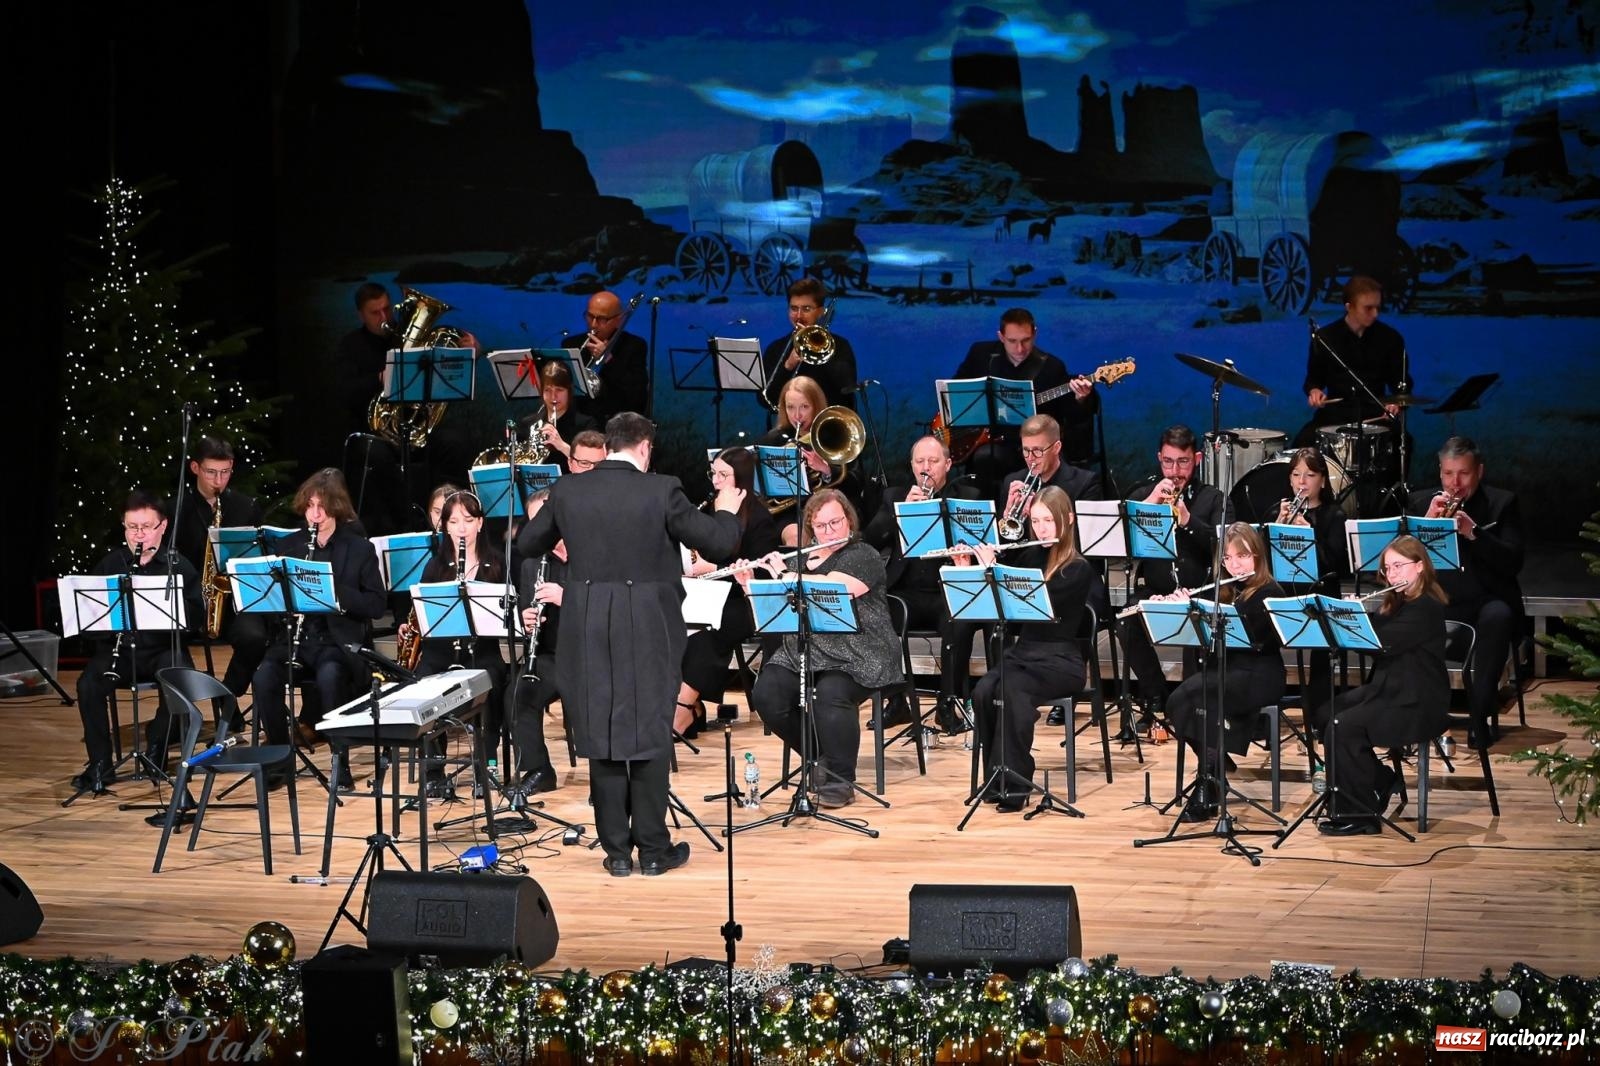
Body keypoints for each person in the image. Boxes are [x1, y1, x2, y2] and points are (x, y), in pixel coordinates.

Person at [515, 412, 744, 878]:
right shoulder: (661, 489)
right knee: (650, 727)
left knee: (599, 729)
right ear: (644, 448)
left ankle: (617, 852)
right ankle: (654, 850)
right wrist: (726, 506)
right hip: (648, 622)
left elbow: (527, 544)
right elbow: (720, 543)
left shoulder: (568, 489)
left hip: (586, 621)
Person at [740, 489, 903, 809]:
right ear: (810, 528)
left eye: (836, 522)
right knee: (767, 695)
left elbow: (835, 588)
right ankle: (819, 755)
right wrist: (751, 587)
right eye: (821, 526)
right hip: (805, 651)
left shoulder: (863, 554)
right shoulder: (799, 559)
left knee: (828, 694)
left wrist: (785, 576)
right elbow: (775, 617)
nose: (830, 531)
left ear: (849, 520)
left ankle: (842, 779)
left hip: (859, 651)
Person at [251, 469, 387, 787]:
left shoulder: (358, 549)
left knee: (330, 677)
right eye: (310, 505)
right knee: (263, 677)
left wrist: (335, 592)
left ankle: (341, 762)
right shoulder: (289, 546)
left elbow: (376, 605)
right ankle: (279, 757)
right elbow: (271, 602)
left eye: (322, 506)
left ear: (336, 507)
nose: (315, 513)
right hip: (295, 639)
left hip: (336, 642)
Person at [1311, 535, 1448, 835]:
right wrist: (1349, 615)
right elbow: (1378, 626)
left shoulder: (1426, 607)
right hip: (1390, 690)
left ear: (1421, 566)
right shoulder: (1398, 603)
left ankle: (1362, 816)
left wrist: (1351, 621)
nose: (1393, 574)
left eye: (1399, 566)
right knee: (1325, 713)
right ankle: (1380, 780)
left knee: (1342, 726)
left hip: (1416, 701)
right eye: (1388, 569)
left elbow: (1381, 642)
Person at [968, 487, 1094, 812]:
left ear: (1067, 520)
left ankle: (1016, 782)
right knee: (983, 690)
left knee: (1012, 690)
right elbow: (1003, 614)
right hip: (1024, 655)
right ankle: (996, 775)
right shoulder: (1031, 556)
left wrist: (994, 569)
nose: (1041, 529)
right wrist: (977, 570)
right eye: (1036, 521)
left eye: (1049, 520)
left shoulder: (1077, 568)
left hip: (1059, 660)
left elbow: (1041, 602)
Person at [70, 490, 203, 796]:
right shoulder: (111, 563)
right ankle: (99, 764)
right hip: (119, 648)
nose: (139, 535)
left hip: (162, 648)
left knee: (180, 677)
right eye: (132, 527)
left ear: (163, 526)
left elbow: (195, 620)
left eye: (146, 527)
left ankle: (157, 744)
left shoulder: (178, 565)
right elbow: (90, 619)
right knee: (88, 685)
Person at [1158, 523, 1287, 822]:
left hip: (1260, 674)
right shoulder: (1227, 592)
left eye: (1241, 555)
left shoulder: (1270, 592)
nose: (1234, 564)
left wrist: (1209, 613)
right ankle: (1213, 776)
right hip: (1228, 672)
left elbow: (1257, 640)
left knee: (1202, 698)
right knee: (1179, 702)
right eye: (1227, 559)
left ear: (1257, 555)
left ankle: (1209, 783)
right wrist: (1186, 611)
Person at [1406, 436, 1524, 741]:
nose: (1455, 483)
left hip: (1485, 603)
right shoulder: (1421, 504)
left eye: (1463, 473)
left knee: (1498, 616)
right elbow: (1400, 564)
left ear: (1479, 472)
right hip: (1440, 603)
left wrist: (1474, 534)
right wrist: (1425, 524)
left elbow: (1513, 562)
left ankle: (1480, 717)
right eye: (1448, 474)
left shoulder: (1502, 504)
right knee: (1400, 615)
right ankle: (1418, 715)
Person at [1116, 425, 1231, 728]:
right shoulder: (1145, 494)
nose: (1175, 470)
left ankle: (1192, 705)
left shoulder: (1213, 499)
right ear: (1159, 458)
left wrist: (1189, 520)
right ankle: (1155, 697)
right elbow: (1121, 541)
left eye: (1183, 462)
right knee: (1125, 620)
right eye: (1168, 461)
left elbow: (1227, 546)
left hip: (1200, 590)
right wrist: (1153, 501)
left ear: (1196, 459)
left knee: (1199, 620)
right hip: (1156, 587)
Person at [862, 436, 983, 719]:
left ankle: (947, 702)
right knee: (873, 615)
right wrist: (901, 513)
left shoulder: (968, 498)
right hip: (905, 593)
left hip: (947, 592)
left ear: (949, 464)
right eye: (920, 462)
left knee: (961, 619)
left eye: (933, 461)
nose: (926, 468)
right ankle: (896, 700)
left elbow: (982, 547)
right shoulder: (894, 496)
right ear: (912, 465)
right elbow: (868, 541)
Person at [402, 490, 509, 795]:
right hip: (441, 651)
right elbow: (425, 618)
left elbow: (505, 615)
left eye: (468, 520)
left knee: (492, 682)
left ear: (480, 523)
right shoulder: (434, 567)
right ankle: (434, 769)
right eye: (454, 521)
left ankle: (485, 765)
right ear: (445, 526)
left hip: (482, 650)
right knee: (424, 684)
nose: (461, 528)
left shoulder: (498, 563)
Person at [676, 447, 780, 737]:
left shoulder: (759, 518)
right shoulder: (711, 509)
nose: (716, 481)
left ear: (742, 480)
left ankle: (683, 707)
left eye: (724, 475)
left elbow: (763, 572)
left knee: (706, 632)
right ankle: (692, 709)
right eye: (714, 473)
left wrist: (712, 566)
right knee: (671, 620)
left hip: (744, 602)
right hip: (709, 595)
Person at [951, 307, 1099, 494]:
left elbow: (1070, 418)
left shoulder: (1052, 367)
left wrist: (1081, 398)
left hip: (1032, 447)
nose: (1020, 348)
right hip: (984, 441)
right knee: (984, 457)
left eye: (1026, 340)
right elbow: (957, 391)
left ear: (1035, 334)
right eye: (1012, 341)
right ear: (1001, 336)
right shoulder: (981, 354)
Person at [165, 436, 267, 703]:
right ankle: (178, 716)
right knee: (169, 646)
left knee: (255, 637)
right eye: (211, 472)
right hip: (190, 597)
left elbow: (258, 559)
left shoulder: (246, 507)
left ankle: (227, 697)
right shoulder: (176, 509)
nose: (218, 481)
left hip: (230, 599)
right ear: (195, 468)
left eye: (224, 472)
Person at [1269, 448, 1349, 713]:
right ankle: (1264, 704)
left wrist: (1309, 534)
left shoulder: (1335, 516)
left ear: (1323, 481)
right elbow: (1261, 563)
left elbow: (1335, 566)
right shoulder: (1277, 512)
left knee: (1323, 640)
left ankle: (1319, 714)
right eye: (1296, 474)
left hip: (1321, 594)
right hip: (1287, 591)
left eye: (1310, 475)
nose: (1301, 482)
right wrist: (1277, 527)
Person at [1294, 275, 1406, 447]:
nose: (1375, 314)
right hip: (1334, 415)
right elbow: (1313, 379)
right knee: (1303, 442)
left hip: (1376, 415)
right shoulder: (1326, 338)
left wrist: (1396, 401)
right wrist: (1314, 391)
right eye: (1368, 308)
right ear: (1349, 307)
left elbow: (1401, 382)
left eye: (1378, 307)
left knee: (1402, 442)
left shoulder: (1391, 339)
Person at [756, 376, 857, 545]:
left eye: (804, 406)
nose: (797, 415)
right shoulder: (773, 441)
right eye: (790, 407)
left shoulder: (835, 435)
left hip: (828, 508)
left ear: (816, 405)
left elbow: (855, 484)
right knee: (796, 538)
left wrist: (826, 469)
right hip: (788, 513)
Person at [510, 489, 565, 794]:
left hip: (594, 653)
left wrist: (565, 597)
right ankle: (539, 769)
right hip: (553, 654)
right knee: (519, 692)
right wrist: (526, 621)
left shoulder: (592, 554)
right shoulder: (533, 564)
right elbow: (524, 611)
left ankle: (607, 778)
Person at [761, 277, 859, 412]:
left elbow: (847, 390)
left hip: (828, 426)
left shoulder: (839, 345)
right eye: (794, 308)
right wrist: (788, 366)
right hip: (791, 427)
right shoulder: (776, 348)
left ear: (820, 312)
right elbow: (765, 400)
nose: (799, 316)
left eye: (806, 309)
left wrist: (820, 352)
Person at [997, 415, 1105, 531]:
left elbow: (1085, 537)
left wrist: (1039, 515)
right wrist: (1007, 514)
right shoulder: (1012, 481)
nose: (1030, 458)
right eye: (1026, 450)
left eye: (1038, 450)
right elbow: (1004, 543)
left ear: (1056, 448)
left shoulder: (1085, 483)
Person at [561, 290, 649, 424]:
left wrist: (608, 359)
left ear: (618, 321)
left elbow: (637, 393)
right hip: (580, 422)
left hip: (618, 422)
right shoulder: (571, 345)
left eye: (602, 319)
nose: (593, 324)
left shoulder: (634, 346)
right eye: (590, 316)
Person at [520, 362, 599, 475]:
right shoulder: (528, 424)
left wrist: (561, 445)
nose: (553, 396)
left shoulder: (586, 424)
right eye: (548, 390)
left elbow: (593, 466)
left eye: (559, 390)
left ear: (569, 391)